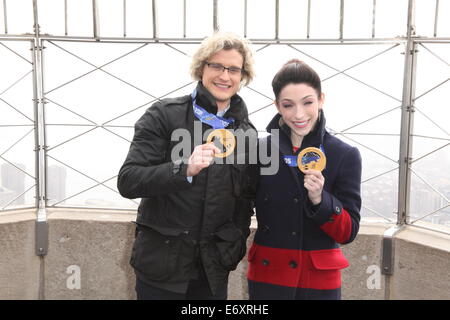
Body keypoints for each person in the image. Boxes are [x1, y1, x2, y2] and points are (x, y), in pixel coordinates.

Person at [117, 32, 257, 300]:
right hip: (161, 269)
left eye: (233, 69)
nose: (224, 76)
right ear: (201, 68)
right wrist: (184, 169)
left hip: (212, 271)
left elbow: (244, 201)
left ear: (242, 76)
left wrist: (234, 246)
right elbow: (128, 180)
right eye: (216, 66)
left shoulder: (245, 132)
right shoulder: (163, 114)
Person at [247, 59, 362, 300]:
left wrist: (320, 200)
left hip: (318, 280)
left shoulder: (344, 154)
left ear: (321, 99)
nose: (299, 114)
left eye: (307, 102)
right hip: (269, 273)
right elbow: (237, 205)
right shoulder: (259, 151)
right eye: (288, 105)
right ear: (277, 105)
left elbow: (348, 232)